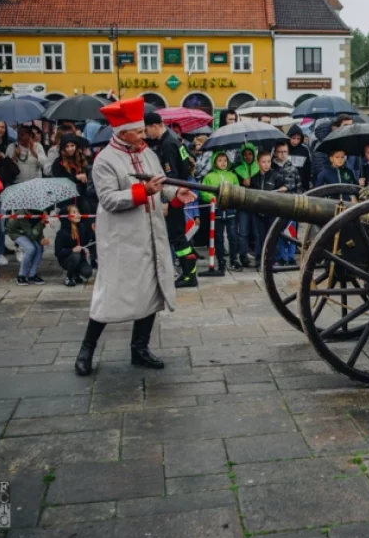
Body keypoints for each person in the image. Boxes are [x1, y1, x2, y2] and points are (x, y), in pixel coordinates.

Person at [74, 97, 197, 377]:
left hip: (150, 234)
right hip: (122, 239)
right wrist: (145, 193)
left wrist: (175, 195)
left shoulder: (146, 154)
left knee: (150, 291)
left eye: (143, 131)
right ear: (122, 132)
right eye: (139, 132)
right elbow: (108, 199)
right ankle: (87, 349)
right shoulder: (105, 160)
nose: (144, 136)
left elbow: (160, 185)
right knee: (110, 294)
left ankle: (139, 348)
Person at [145, 112, 199, 287]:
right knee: (179, 236)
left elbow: (171, 175)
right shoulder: (173, 139)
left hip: (175, 194)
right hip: (180, 190)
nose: (146, 134)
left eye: (147, 130)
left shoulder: (167, 144)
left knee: (177, 237)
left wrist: (167, 201)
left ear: (154, 126)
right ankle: (189, 272)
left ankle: (189, 274)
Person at [200, 151, 243, 274]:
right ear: (214, 162)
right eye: (219, 160)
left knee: (233, 237)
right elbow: (203, 192)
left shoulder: (232, 176)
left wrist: (231, 198)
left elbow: (237, 189)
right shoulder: (209, 177)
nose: (223, 163)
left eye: (225, 160)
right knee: (217, 238)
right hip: (216, 212)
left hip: (230, 211)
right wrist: (212, 198)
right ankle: (221, 261)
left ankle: (234, 259)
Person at [272, 141, 302, 266]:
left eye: (285, 152)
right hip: (277, 204)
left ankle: (291, 256)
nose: (282, 154)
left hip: (291, 203)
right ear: (275, 153)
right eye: (280, 152)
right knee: (279, 231)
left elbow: (298, 185)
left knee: (291, 231)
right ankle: (281, 257)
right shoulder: (272, 168)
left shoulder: (292, 167)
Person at [248, 150, 279, 269]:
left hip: (272, 212)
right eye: (263, 162)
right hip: (258, 213)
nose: (267, 164)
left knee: (272, 236)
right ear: (258, 163)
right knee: (259, 237)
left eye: (268, 161)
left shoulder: (275, 176)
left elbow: (284, 188)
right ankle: (259, 259)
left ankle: (272, 260)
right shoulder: (254, 178)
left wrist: (284, 188)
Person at [231, 143, 260, 269]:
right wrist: (243, 184)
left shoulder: (258, 168)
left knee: (257, 231)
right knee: (243, 232)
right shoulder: (237, 169)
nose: (248, 157)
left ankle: (258, 255)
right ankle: (243, 255)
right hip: (243, 205)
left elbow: (260, 186)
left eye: (250, 154)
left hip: (256, 205)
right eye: (245, 154)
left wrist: (251, 182)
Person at [50, 134, 93, 212]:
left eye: (72, 145)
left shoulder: (82, 159)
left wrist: (86, 178)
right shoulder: (58, 163)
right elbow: (58, 181)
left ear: (76, 146)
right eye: (67, 146)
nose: (70, 149)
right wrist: (76, 178)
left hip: (82, 197)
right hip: (66, 199)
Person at [55, 204, 95, 286]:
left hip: (80, 258)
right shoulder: (62, 233)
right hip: (67, 259)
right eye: (74, 212)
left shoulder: (81, 227)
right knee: (75, 256)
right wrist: (72, 250)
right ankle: (69, 277)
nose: (78, 214)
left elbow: (85, 242)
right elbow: (58, 252)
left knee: (88, 273)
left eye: (78, 212)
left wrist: (93, 232)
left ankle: (76, 274)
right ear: (68, 216)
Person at [6, 210, 48, 286]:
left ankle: (32, 274)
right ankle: (21, 275)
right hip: (16, 232)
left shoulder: (40, 212)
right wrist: (41, 222)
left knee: (39, 248)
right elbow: (32, 235)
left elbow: (38, 231)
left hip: (28, 231)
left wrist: (42, 239)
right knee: (30, 248)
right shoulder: (22, 215)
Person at [286, 125, 312, 191]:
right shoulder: (284, 148)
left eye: (298, 139)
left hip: (301, 185)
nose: (296, 141)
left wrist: (306, 186)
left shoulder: (304, 150)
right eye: (293, 138)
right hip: (285, 184)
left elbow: (307, 169)